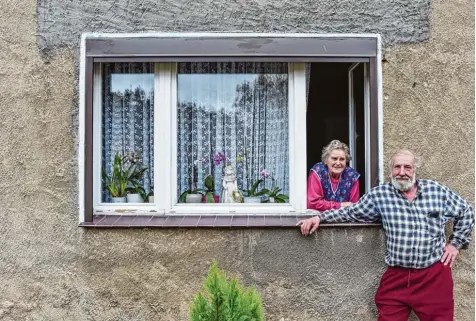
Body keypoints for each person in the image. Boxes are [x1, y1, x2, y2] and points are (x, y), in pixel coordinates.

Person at [298, 149, 474, 321]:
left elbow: (466, 211)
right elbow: (351, 212)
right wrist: (320, 218)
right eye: (397, 167)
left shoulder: (437, 191)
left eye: (407, 167)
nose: (402, 172)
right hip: (398, 276)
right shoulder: (380, 195)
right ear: (391, 170)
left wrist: (455, 243)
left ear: (414, 170)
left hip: (433, 275)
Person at [308, 140, 360, 211]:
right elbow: (313, 203)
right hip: (318, 218)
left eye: (342, 159)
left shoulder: (352, 176)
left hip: (344, 219)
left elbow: (354, 207)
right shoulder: (317, 172)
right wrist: (340, 205)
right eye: (334, 159)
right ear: (326, 160)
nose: (338, 163)